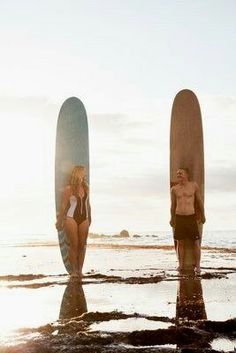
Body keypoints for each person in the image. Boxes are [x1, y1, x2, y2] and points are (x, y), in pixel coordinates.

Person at [56, 165, 91, 278]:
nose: (85, 174)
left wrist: (90, 217)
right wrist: (59, 221)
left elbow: (88, 204)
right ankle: (74, 272)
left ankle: (80, 271)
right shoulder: (69, 189)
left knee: (82, 245)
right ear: (78, 174)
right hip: (71, 218)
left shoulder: (86, 188)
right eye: (83, 172)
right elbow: (63, 206)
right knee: (74, 245)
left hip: (84, 218)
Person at [170, 168, 205, 274]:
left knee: (196, 242)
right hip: (179, 217)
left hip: (191, 217)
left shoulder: (193, 186)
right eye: (177, 173)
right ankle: (180, 265)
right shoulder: (174, 189)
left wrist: (203, 215)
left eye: (181, 172)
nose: (178, 174)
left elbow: (199, 202)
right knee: (180, 243)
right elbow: (173, 205)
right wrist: (172, 218)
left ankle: (198, 266)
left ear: (187, 174)